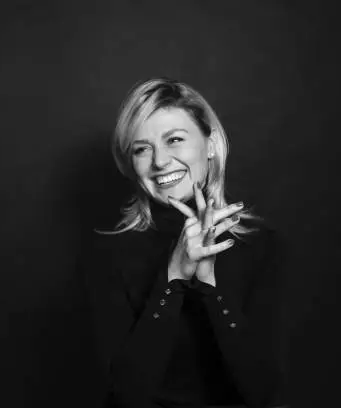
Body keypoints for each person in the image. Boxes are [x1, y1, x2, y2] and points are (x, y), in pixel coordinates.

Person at [84, 77, 286, 408]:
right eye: (142, 148)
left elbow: (264, 391)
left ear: (209, 144)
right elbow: (127, 394)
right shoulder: (106, 254)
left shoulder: (264, 247)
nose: (160, 161)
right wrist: (173, 277)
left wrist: (209, 286)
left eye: (174, 139)